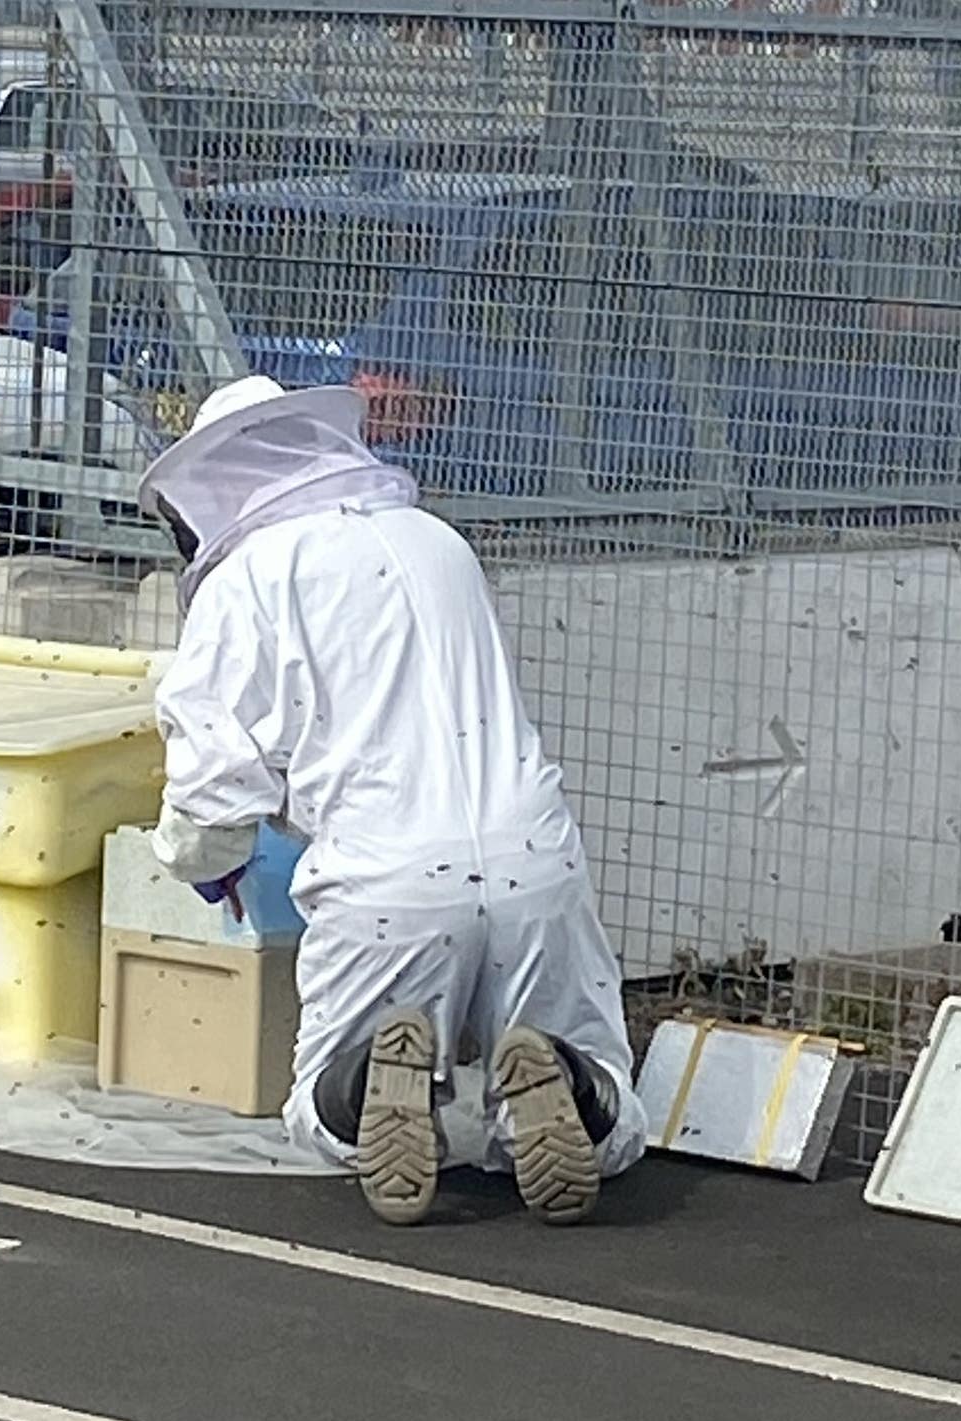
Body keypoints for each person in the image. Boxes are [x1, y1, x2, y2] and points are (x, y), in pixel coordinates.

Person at [137, 374, 649, 1227]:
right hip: (534, 857)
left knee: (320, 1117)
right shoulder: (436, 541)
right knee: (611, 1121)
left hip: (385, 881)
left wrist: (204, 865)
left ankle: (372, 1072)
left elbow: (212, 784)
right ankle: (564, 1077)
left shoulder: (250, 579)